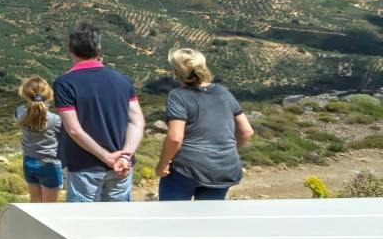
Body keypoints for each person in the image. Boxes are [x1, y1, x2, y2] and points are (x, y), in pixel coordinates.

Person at [52, 22, 143, 203]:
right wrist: (126, 155)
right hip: (122, 166)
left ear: (70, 49)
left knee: (83, 223)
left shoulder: (64, 83)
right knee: (118, 222)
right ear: (98, 48)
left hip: (84, 166)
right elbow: (137, 121)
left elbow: (74, 130)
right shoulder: (122, 80)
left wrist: (107, 157)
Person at [156, 48, 253, 202]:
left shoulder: (178, 96)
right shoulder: (223, 92)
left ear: (177, 71)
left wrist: (162, 164)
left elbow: (175, 138)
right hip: (223, 169)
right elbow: (247, 131)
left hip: (187, 169)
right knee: (209, 221)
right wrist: (224, 151)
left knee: (173, 219)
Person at [15, 76, 65, 203]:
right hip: (50, 164)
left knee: (35, 205)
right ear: (49, 95)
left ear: (25, 95)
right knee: (50, 209)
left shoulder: (19, 112)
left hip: (28, 161)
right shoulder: (55, 120)